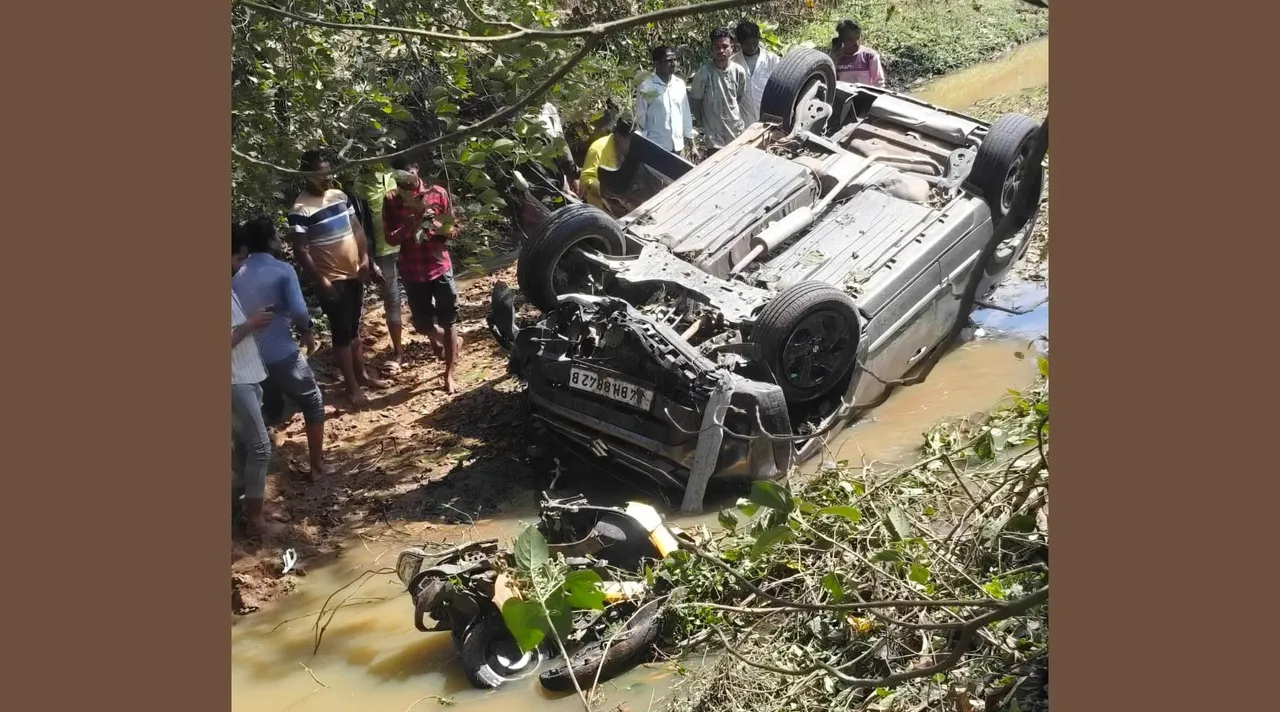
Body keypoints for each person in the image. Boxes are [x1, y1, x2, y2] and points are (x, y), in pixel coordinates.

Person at [233, 217, 330, 480]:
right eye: (276, 237)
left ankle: (257, 482)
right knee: (312, 400)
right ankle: (316, 467)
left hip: (250, 360)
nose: (279, 241)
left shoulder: (236, 275)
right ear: (270, 241)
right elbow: (299, 312)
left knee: (264, 415)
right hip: (281, 354)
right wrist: (308, 331)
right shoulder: (282, 269)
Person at [288, 149, 386, 406]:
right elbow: (301, 250)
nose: (327, 178)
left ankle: (362, 376)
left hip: (356, 273)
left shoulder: (339, 196)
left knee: (354, 328)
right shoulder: (300, 209)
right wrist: (321, 280)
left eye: (329, 173)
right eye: (321, 175)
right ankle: (351, 387)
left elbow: (356, 228)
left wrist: (366, 260)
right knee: (341, 334)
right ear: (307, 175)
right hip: (332, 280)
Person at [383, 166, 463, 394]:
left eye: (408, 178)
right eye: (400, 182)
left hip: (439, 265)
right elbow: (389, 239)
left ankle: (448, 375)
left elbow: (454, 229)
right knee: (422, 324)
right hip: (412, 270)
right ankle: (450, 343)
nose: (405, 187)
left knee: (449, 320)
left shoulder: (437, 193)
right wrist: (406, 228)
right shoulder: (391, 200)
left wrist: (436, 225)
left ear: (416, 170)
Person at [232, 281, 287, 538]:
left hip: (247, 373)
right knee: (260, 447)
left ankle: (254, 508)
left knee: (247, 447)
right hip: (234, 380)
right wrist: (250, 324)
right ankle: (256, 521)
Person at [354, 164, 405, 375]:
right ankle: (398, 352)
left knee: (420, 291)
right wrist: (370, 259)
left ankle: (436, 341)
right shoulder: (360, 186)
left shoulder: (393, 176)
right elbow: (361, 225)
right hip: (383, 252)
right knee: (392, 300)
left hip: (407, 246)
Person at [690, 27, 750, 151]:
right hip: (714, 138)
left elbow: (738, 98)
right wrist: (706, 124)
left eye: (725, 46)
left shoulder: (739, 71)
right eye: (717, 47)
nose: (721, 51)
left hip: (736, 133)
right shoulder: (703, 74)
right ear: (712, 49)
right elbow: (695, 104)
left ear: (732, 47)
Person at [635, 46, 696, 155]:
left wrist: (692, 145)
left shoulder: (679, 84)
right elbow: (640, 119)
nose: (673, 64)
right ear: (657, 64)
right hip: (656, 148)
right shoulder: (646, 86)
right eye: (668, 61)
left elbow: (685, 114)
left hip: (678, 147)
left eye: (675, 60)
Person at [579, 116, 634, 213]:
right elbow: (586, 177)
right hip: (599, 199)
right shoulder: (598, 149)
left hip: (619, 196)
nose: (632, 143)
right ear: (618, 137)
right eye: (629, 139)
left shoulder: (629, 150)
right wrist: (599, 186)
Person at [730, 21, 779, 128]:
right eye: (747, 44)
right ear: (740, 43)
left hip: (770, 117)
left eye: (754, 42)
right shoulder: (732, 63)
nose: (752, 47)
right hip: (744, 120)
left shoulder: (772, 60)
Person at [831, 19, 886, 87]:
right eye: (850, 39)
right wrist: (832, 63)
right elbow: (830, 83)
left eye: (857, 37)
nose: (856, 42)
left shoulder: (869, 56)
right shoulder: (835, 58)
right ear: (841, 39)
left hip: (866, 96)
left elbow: (879, 83)